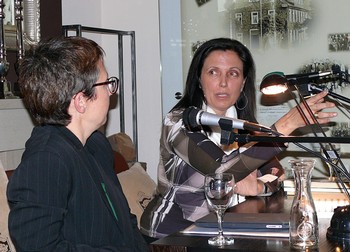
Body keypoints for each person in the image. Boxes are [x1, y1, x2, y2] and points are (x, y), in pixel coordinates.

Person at [140, 38, 337, 239]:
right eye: (213, 72)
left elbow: (276, 172)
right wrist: (286, 126)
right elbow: (221, 171)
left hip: (227, 228)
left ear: (243, 83)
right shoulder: (179, 122)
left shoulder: (243, 125)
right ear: (199, 79)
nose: (223, 82)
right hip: (173, 236)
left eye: (233, 73)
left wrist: (259, 186)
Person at [7, 37, 149, 251]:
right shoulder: (46, 160)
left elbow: (125, 224)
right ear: (80, 101)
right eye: (107, 83)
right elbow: (39, 247)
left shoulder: (96, 144)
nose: (112, 91)